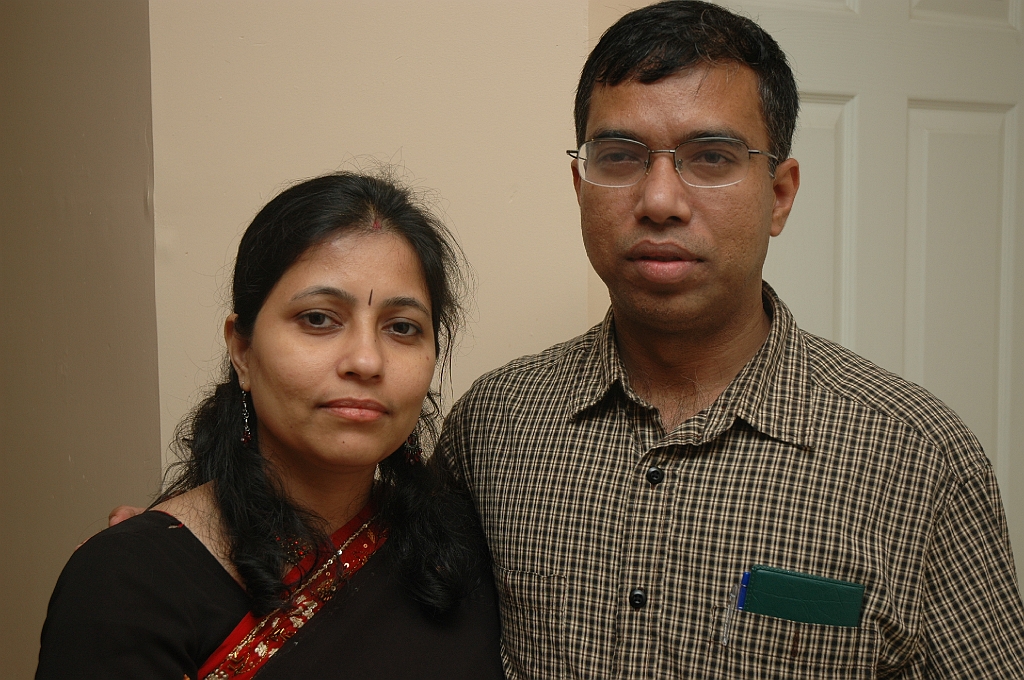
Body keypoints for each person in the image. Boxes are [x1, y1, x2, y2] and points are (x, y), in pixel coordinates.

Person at [438, 1, 1024, 678]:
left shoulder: (919, 460)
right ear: (580, 185)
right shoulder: (494, 427)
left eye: (711, 157)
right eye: (620, 157)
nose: (660, 201)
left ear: (781, 194)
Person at [36, 172, 504, 679]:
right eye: (318, 319)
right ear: (242, 350)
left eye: (402, 327)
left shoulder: (459, 558)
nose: (367, 361)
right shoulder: (129, 583)